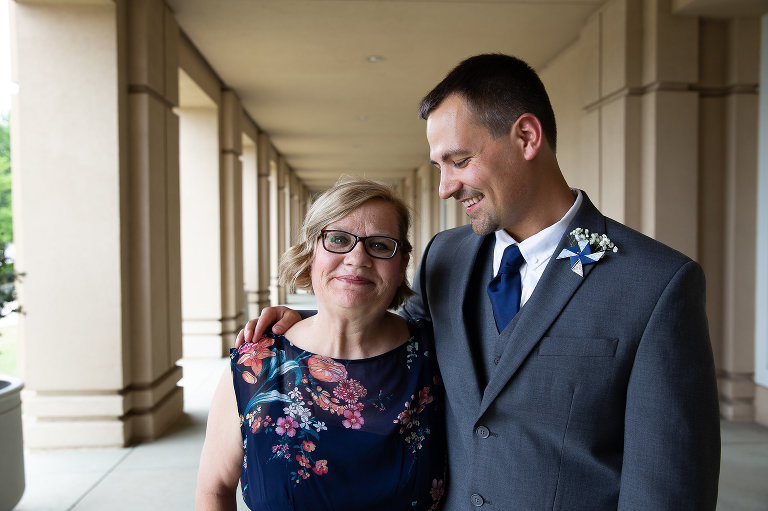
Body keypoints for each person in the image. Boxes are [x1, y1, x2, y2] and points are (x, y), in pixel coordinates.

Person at [239, 54, 721, 510]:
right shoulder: (445, 257)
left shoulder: (657, 284)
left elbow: (668, 489)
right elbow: (395, 340)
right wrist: (310, 323)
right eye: (439, 167)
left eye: (459, 160)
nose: (446, 186)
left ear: (527, 137)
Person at [196, 179, 446, 510]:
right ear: (310, 253)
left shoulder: (438, 356)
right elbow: (214, 490)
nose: (358, 258)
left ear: (401, 266)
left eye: (381, 245)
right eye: (339, 239)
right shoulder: (256, 364)